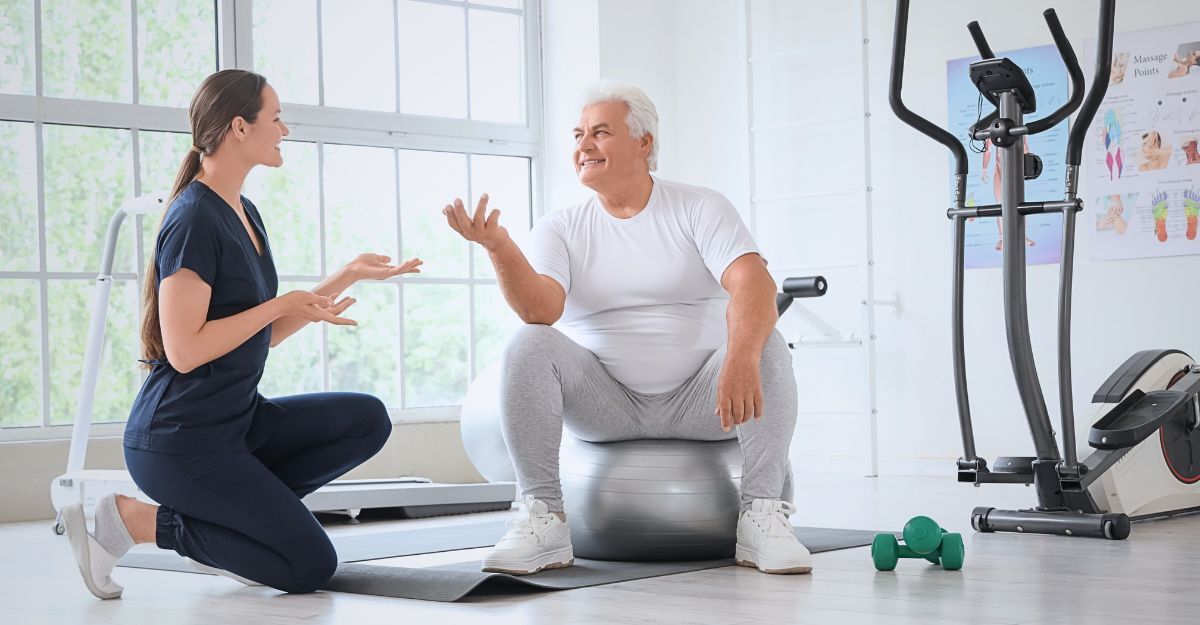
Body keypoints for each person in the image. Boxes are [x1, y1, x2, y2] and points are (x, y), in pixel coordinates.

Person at [61, 69, 422, 599]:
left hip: (236, 424)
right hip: (180, 442)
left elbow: (261, 335)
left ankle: (232, 532)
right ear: (239, 128)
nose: (285, 130)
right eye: (276, 118)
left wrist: (345, 274)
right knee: (309, 567)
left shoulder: (243, 212)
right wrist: (279, 303)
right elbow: (184, 352)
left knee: (365, 419)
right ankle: (134, 521)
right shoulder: (192, 219)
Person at [442, 82, 810, 576]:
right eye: (578, 135)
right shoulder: (561, 226)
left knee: (767, 342)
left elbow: (754, 286)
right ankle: (543, 518)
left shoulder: (699, 206)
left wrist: (739, 358)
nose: (583, 145)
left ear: (644, 143)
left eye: (600, 132)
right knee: (529, 342)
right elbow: (541, 311)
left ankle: (762, 517)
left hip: (703, 399)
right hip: (605, 403)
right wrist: (499, 247)